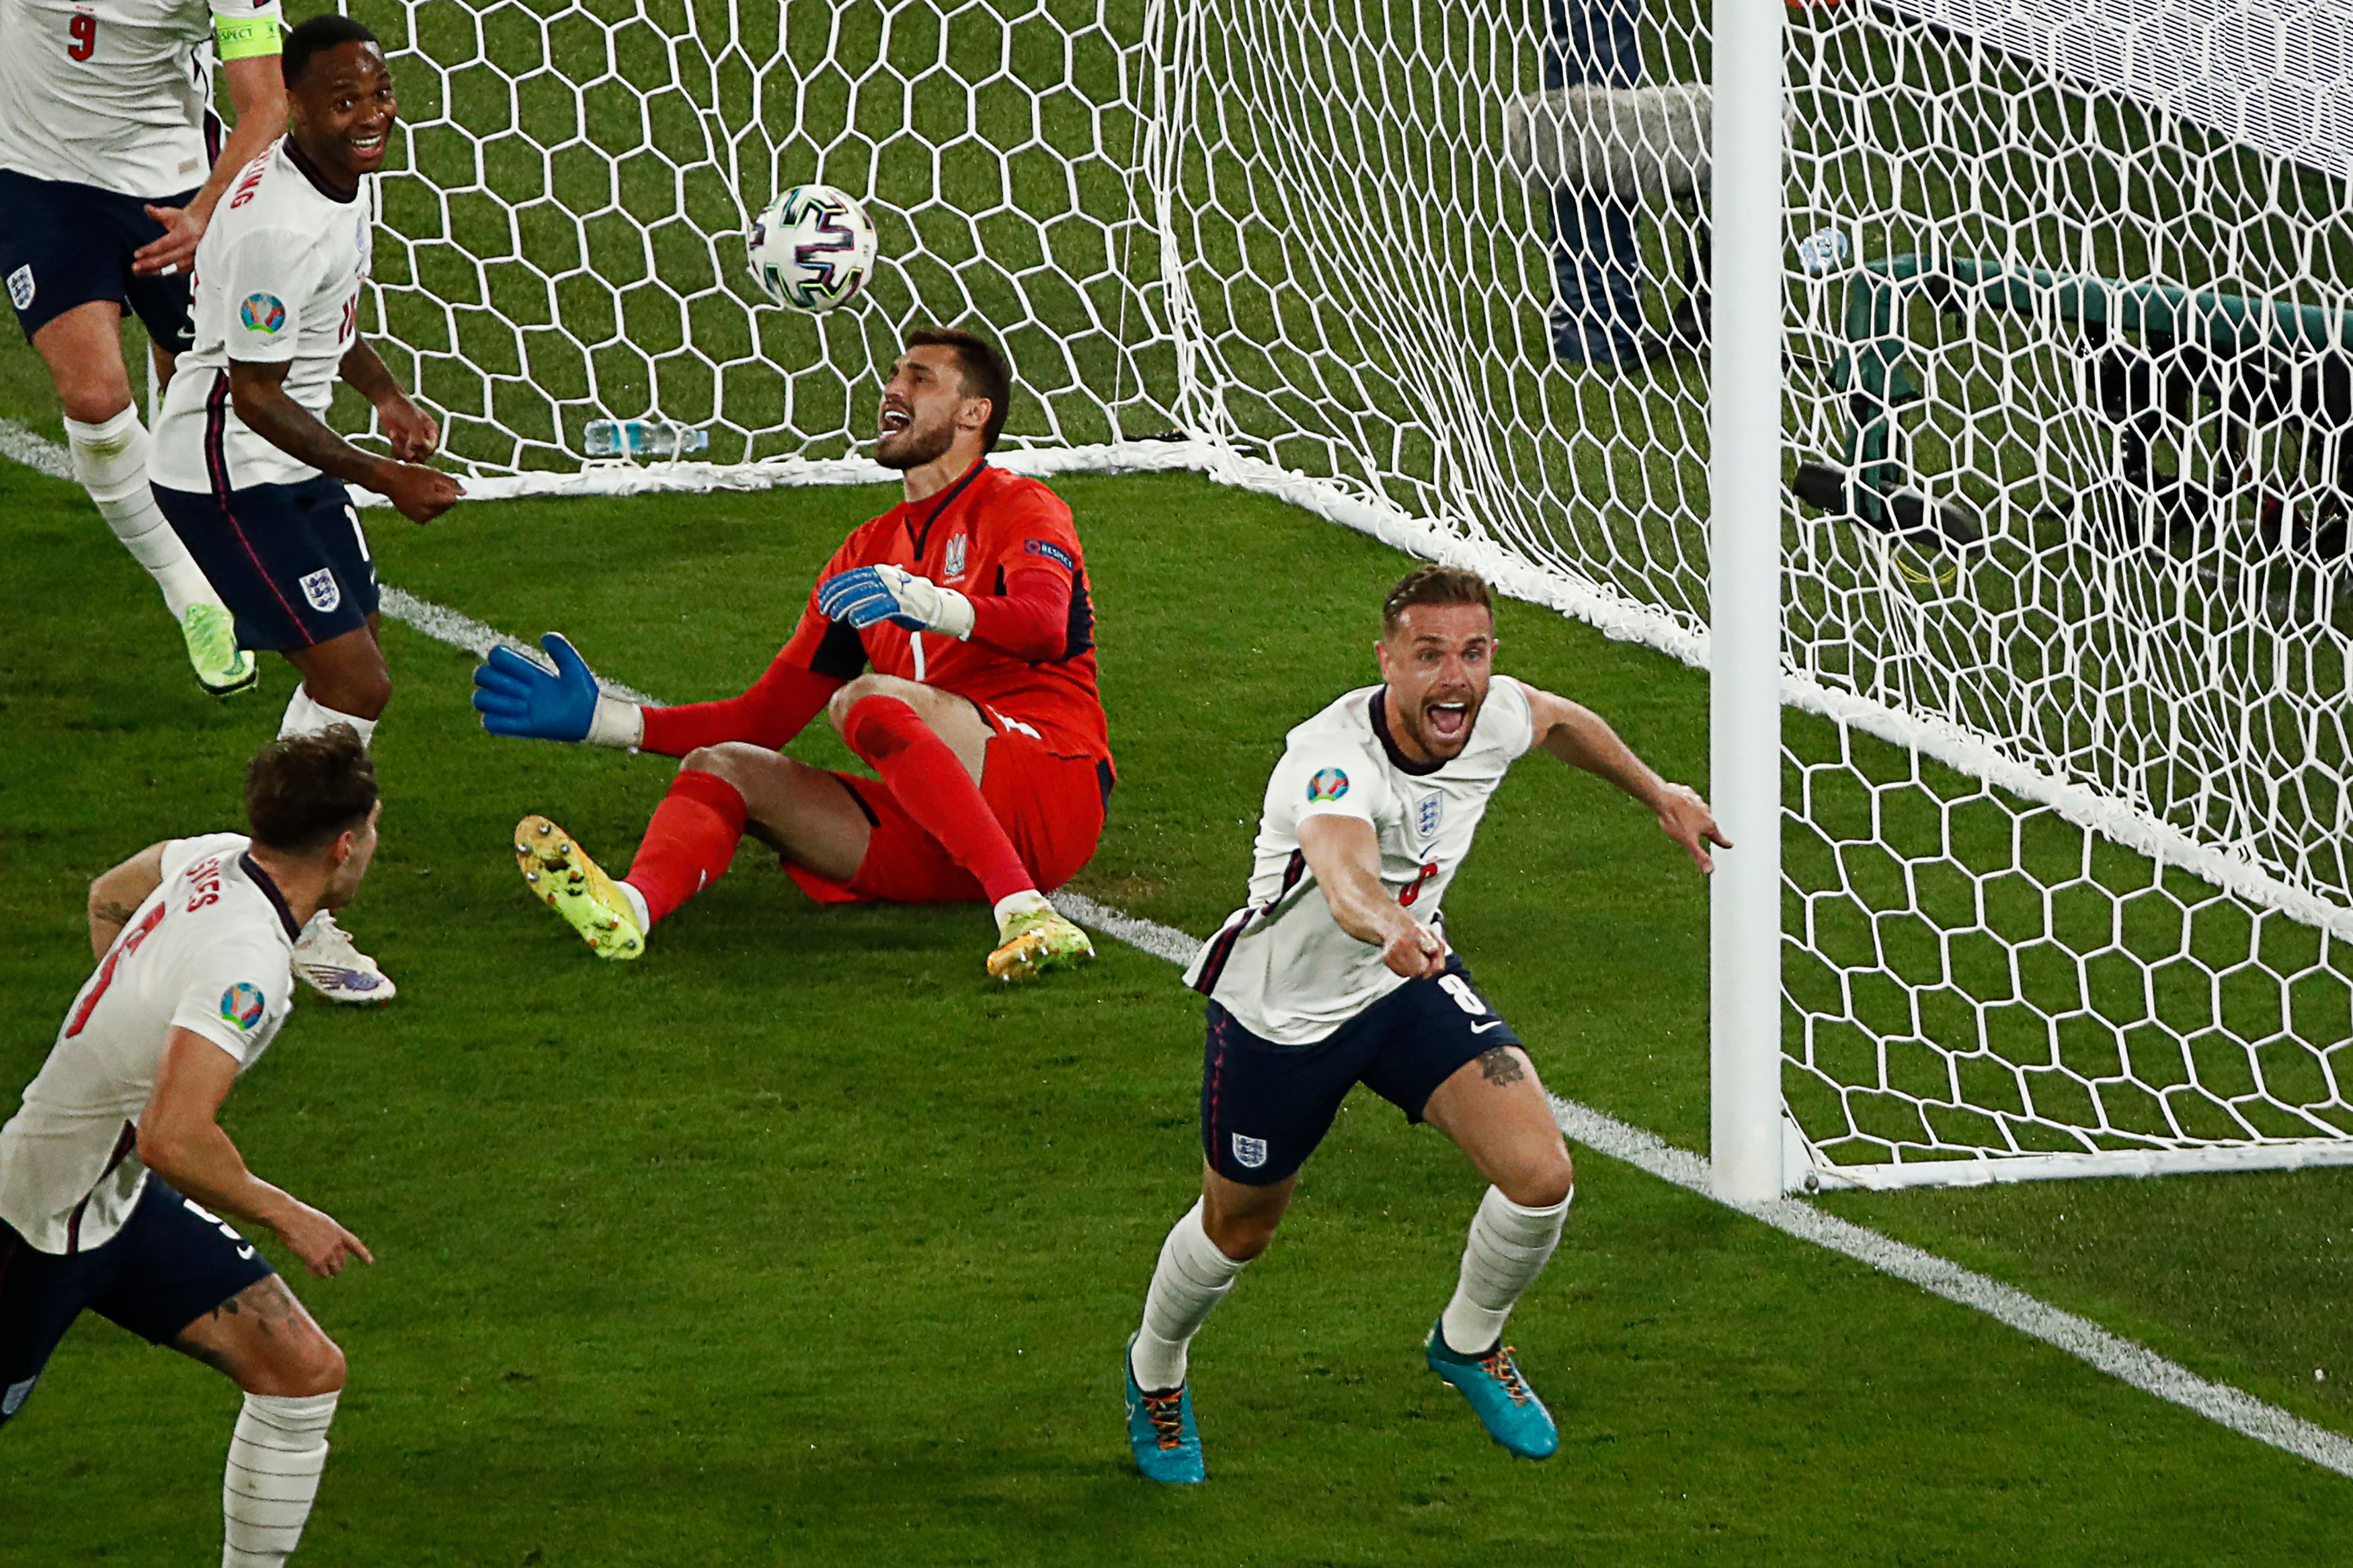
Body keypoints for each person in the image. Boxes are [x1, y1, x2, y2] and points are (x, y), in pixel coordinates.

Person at [1120, 565, 1725, 1482]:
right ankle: (1155, 1368)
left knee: (1541, 1176)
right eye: (1430, 655)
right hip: (1283, 1017)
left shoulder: (1494, 715)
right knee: (1238, 1229)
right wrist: (1388, 924)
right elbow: (1343, 872)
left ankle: (1468, 1341)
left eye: (1473, 653)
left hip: (1404, 987)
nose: (1456, 678)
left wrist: (1659, 792)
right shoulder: (1330, 761)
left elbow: (1559, 720)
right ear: (1387, 661)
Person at [473, 327, 1107, 982]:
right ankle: (630, 909)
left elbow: (1044, 626)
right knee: (723, 764)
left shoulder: (1022, 506)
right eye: (894, 375)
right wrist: (607, 720)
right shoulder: (865, 554)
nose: (893, 390)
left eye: (920, 378)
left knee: (865, 700)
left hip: (1050, 787)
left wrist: (929, 605)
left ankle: (1026, 911)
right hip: (943, 828)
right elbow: (763, 719)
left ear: (975, 412)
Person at [0, 727, 379, 1567]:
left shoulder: (215, 856)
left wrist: (135, 1022)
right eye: (374, 830)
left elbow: (109, 894)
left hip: (117, 1203)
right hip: (32, 1224)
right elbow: (173, 1137)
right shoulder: (249, 964)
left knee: (303, 1371)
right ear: (344, 846)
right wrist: (291, 1214)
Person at [150, 13, 463, 1005]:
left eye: (379, 93)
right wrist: (382, 474)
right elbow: (253, 392)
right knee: (355, 681)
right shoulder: (276, 223)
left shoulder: (338, 178)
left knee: (348, 673)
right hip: (230, 475)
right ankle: (289, 903)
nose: (371, 115)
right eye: (345, 100)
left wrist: (385, 394)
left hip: (286, 460)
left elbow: (325, 317)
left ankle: (269, 875)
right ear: (292, 104)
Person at [0, 0, 292, 697]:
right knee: (94, 397)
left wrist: (206, 211)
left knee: (195, 386)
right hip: (35, 175)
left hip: (170, 182)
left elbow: (267, 104)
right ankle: (193, 592)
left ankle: (188, 502)